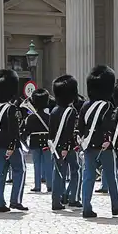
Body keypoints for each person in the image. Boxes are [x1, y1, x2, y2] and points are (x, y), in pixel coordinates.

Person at [78, 65, 118, 219]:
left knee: (88, 177)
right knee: (111, 176)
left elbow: (80, 126)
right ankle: (116, 206)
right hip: (104, 147)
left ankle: (86, 207)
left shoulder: (85, 106)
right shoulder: (107, 105)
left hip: (88, 145)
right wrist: (108, 139)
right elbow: (109, 125)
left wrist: (83, 140)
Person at [0, 68, 24, 212]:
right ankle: (15, 200)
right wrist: (12, 146)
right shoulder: (11, 109)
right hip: (11, 146)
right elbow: (13, 130)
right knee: (19, 170)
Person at [48, 75, 78, 211]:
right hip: (68, 147)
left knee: (58, 173)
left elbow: (52, 131)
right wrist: (66, 147)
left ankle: (57, 200)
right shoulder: (70, 111)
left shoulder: (54, 110)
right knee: (76, 171)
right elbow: (68, 132)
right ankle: (72, 197)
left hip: (55, 146)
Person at [21, 88, 51, 193]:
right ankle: (49, 185)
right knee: (48, 164)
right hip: (47, 142)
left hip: (34, 142)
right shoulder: (49, 117)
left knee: (36, 165)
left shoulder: (30, 118)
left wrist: (24, 141)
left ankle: (37, 185)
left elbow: (26, 132)